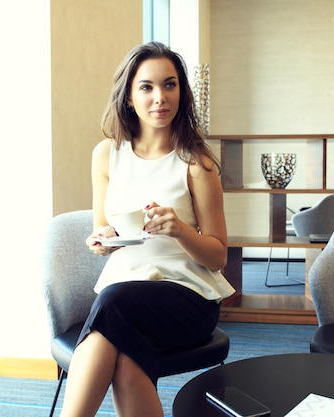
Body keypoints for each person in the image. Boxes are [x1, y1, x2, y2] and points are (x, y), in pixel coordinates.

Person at [59, 42, 236, 417]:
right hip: (126, 294)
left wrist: (180, 231)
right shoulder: (106, 155)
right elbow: (102, 228)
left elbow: (218, 255)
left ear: (181, 93)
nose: (160, 97)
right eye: (147, 87)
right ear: (128, 97)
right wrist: (101, 241)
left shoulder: (196, 162)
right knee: (126, 361)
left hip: (188, 296)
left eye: (170, 85)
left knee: (113, 301)